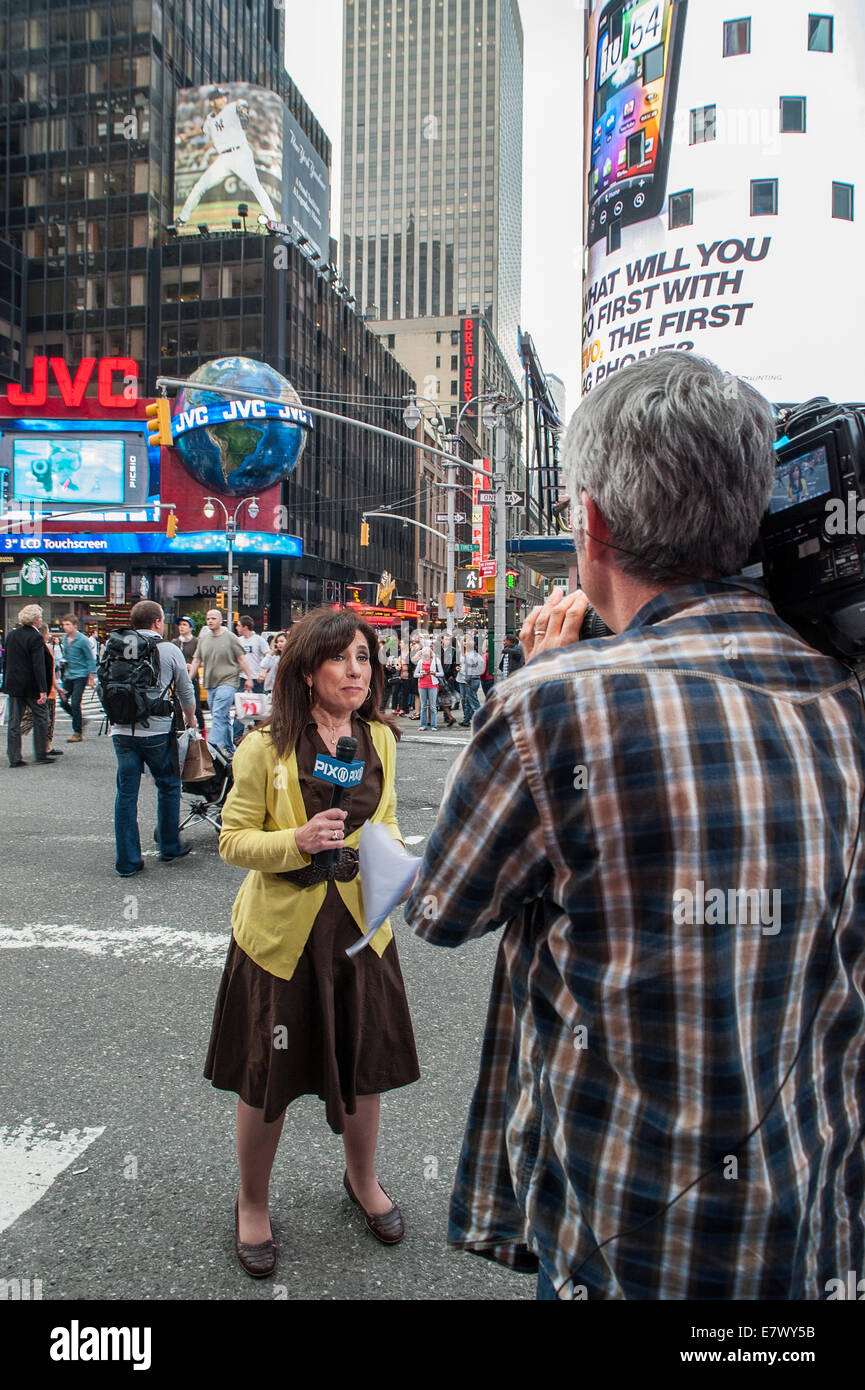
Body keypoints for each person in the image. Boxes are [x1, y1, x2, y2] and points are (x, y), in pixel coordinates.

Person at [405, 351, 865, 1301]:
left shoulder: (554, 707)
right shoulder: (845, 691)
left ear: (596, 523)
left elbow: (442, 906)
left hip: (625, 1244)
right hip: (814, 1230)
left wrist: (535, 675)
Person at [204, 606, 420, 1278]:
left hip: (360, 929)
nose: (356, 671)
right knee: (265, 1077)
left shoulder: (377, 739)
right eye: (342, 659)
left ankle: (362, 1179)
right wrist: (292, 841)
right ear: (305, 672)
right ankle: (252, 1201)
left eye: (364, 658)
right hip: (282, 937)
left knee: (365, 1066)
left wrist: (398, 865)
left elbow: (381, 822)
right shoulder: (262, 747)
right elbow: (231, 839)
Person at [108, 600, 197, 877]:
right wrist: (190, 718)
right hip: (157, 731)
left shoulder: (114, 646)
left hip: (121, 730)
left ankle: (127, 862)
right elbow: (185, 691)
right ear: (158, 622)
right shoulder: (168, 650)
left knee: (126, 794)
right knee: (168, 785)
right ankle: (169, 846)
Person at [175, 87, 279, 227]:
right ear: (212, 102)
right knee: (199, 187)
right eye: (220, 97)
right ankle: (182, 218)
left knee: (256, 187)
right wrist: (186, 136)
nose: (224, 98)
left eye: (224, 96)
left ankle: (273, 221)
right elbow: (202, 130)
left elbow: (241, 104)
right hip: (223, 158)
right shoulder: (210, 119)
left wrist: (243, 110)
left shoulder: (230, 108)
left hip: (240, 154)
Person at [189, 609, 255, 756]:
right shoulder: (204, 640)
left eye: (213, 618)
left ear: (220, 620)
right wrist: (188, 679)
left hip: (228, 681)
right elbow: (196, 660)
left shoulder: (230, 638)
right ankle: (231, 748)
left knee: (219, 714)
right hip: (210, 683)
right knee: (221, 716)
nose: (210, 621)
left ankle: (212, 749)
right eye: (208, 618)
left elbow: (241, 659)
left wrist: (249, 677)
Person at [1, 604, 53, 768]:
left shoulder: (12, 635)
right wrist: (43, 690)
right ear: (36, 620)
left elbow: (7, 660)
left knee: (14, 721)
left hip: (14, 683)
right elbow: (38, 665)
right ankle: (40, 753)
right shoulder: (35, 637)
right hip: (31, 685)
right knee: (41, 717)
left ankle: (14, 756)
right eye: (39, 618)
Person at [19, 622, 62, 758]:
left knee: (43, 719)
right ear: (44, 633)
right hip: (45, 691)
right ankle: (44, 747)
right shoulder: (43, 649)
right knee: (42, 719)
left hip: (47, 689)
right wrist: (53, 687)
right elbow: (45, 671)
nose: (49, 635)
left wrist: (56, 687)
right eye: (48, 632)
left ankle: (47, 746)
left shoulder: (43, 648)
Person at [57, 614, 96, 742]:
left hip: (81, 674)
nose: (65, 627)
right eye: (64, 625)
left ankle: (77, 732)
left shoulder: (83, 640)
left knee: (75, 702)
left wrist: (91, 676)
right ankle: (80, 719)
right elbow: (66, 655)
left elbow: (90, 658)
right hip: (69, 675)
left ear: (75, 626)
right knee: (62, 702)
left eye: (68, 624)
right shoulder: (64, 638)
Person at [173, 617, 206, 731]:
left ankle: (202, 729)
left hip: (192, 679)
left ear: (191, 628)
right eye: (180, 625)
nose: (181, 627)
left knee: (195, 707)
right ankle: (180, 731)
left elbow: (203, 660)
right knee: (177, 707)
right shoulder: (175, 642)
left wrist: (194, 666)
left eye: (184, 625)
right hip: (178, 679)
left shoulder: (196, 642)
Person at [413, 642, 445, 731]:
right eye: (424, 655)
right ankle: (423, 725)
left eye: (427, 655)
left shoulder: (436, 661)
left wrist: (435, 673)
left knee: (433, 706)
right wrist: (421, 674)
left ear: (431, 654)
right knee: (423, 706)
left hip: (433, 685)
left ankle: (434, 725)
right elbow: (415, 674)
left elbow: (442, 673)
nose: (426, 657)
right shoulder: (420, 662)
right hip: (422, 685)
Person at [235, 615, 269, 693]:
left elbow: (268, 656)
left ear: (245, 627)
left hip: (257, 678)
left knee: (258, 702)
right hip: (242, 678)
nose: (236, 628)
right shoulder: (238, 641)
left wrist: (264, 672)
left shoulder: (259, 640)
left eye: (239, 626)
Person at [456, 635, 484, 726]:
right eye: (464, 641)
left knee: (472, 700)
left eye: (467, 641)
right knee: (465, 700)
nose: (465, 643)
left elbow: (472, 669)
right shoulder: (464, 654)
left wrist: (468, 679)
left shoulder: (473, 655)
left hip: (469, 679)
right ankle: (466, 719)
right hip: (463, 678)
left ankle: (480, 719)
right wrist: (459, 667)